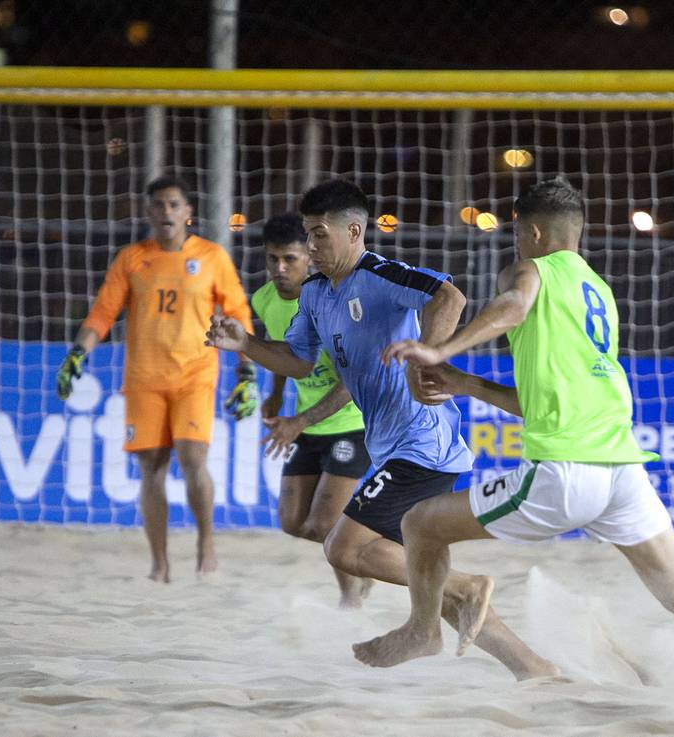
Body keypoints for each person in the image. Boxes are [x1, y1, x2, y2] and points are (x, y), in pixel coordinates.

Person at [354, 178, 674, 718]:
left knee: (420, 523)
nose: (516, 243)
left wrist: (438, 349)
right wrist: (466, 382)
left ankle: (422, 631)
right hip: (622, 470)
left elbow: (513, 307)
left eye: (518, 233)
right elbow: (543, 400)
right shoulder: (599, 292)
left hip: (565, 474)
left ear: (535, 231)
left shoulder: (529, 271)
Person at [207, 179, 557, 680]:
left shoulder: (379, 274)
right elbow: (299, 363)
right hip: (391, 446)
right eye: (307, 235)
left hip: (422, 443)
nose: (310, 247)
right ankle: (532, 666)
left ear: (354, 230)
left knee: (343, 547)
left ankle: (463, 590)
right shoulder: (314, 293)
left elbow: (450, 298)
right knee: (417, 567)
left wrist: (428, 355)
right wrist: (245, 343)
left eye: (319, 235)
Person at [56, 175, 257, 582]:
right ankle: (160, 563)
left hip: (195, 375)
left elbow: (238, 314)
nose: (166, 212)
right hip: (145, 378)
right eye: (159, 205)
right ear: (148, 212)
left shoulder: (213, 257)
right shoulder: (132, 259)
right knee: (152, 470)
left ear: (188, 212)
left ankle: (206, 544)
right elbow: (102, 314)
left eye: (173, 204)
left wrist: (247, 371)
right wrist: (78, 352)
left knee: (193, 458)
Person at [251, 213, 374, 608]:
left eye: (290, 258)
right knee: (293, 523)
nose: (280, 268)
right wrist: (275, 392)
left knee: (323, 524)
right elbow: (284, 352)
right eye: (272, 259)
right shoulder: (264, 299)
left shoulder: (332, 299)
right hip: (306, 422)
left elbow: (354, 380)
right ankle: (367, 548)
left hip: (352, 423)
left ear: (310, 256)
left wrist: (298, 421)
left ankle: (352, 593)